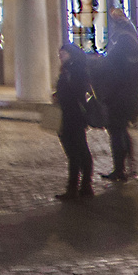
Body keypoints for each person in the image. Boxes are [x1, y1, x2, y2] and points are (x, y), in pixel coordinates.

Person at [98, 28, 138, 181]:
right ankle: (129, 164)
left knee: (116, 133)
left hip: (116, 100)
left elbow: (105, 74)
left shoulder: (116, 57)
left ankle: (119, 169)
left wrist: (105, 96)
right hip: (132, 100)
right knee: (123, 130)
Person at [53, 43, 97, 200]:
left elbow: (76, 91)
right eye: (60, 55)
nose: (60, 57)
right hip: (72, 114)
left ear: (71, 54)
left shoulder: (74, 69)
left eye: (63, 54)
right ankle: (84, 185)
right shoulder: (72, 68)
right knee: (79, 150)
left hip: (73, 115)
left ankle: (76, 187)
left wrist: (61, 95)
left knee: (75, 152)